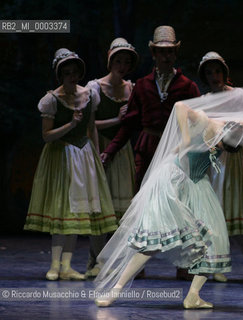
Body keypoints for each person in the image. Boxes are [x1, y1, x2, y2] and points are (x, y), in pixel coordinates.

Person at [94, 88, 243, 309]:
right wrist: (187, 136)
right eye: (219, 145)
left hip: (197, 186)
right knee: (153, 239)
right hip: (173, 182)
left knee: (214, 240)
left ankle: (193, 296)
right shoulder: (206, 122)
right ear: (221, 132)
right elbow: (179, 105)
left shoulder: (234, 130)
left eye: (222, 149)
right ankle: (116, 289)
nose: (218, 149)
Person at [100, 26, 200, 280]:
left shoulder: (187, 86)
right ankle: (138, 263)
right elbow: (129, 124)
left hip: (176, 152)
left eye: (170, 52)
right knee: (144, 207)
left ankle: (184, 263)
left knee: (181, 207)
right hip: (148, 149)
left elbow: (199, 122)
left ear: (175, 54)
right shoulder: (143, 85)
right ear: (154, 54)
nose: (166, 56)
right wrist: (109, 151)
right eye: (161, 52)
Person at [24, 48, 118, 281]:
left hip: (84, 156)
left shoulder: (89, 95)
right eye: (67, 73)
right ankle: (55, 265)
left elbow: (91, 128)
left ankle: (66, 265)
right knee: (61, 211)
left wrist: (97, 156)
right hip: (61, 155)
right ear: (60, 75)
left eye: (75, 72)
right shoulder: (51, 100)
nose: (72, 77)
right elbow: (47, 136)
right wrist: (70, 125)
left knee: (77, 211)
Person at [197, 51, 243, 282]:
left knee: (225, 213)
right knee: (218, 214)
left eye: (217, 71)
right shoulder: (205, 101)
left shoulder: (237, 96)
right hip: (218, 159)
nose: (214, 76)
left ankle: (228, 261)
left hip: (237, 159)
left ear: (225, 73)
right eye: (209, 72)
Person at [84, 38, 138, 278]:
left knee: (122, 209)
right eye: (118, 60)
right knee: (99, 206)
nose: (122, 66)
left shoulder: (132, 88)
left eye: (127, 62)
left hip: (122, 150)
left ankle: (114, 259)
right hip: (100, 147)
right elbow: (88, 125)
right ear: (110, 60)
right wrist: (117, 120)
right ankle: (95, 259)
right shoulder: (94, 88)